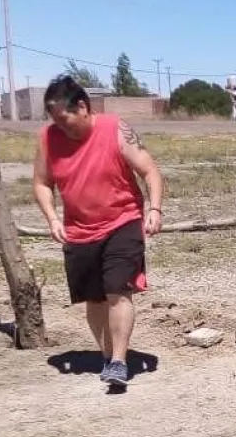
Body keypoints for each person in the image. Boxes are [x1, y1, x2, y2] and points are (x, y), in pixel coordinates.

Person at [32, 76, 165, 387]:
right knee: (94, 299)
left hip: (123, 221)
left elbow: (150, 171)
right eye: (54, 120)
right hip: (79, 230)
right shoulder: (48, 138)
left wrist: (155, 209)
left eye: (64, 120)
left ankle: (119, 360)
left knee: (118, 289)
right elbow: (41, 183)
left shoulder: (115, 129)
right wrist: (52, 218)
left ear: (82, 107)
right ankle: (107, 356)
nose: (60, 127)